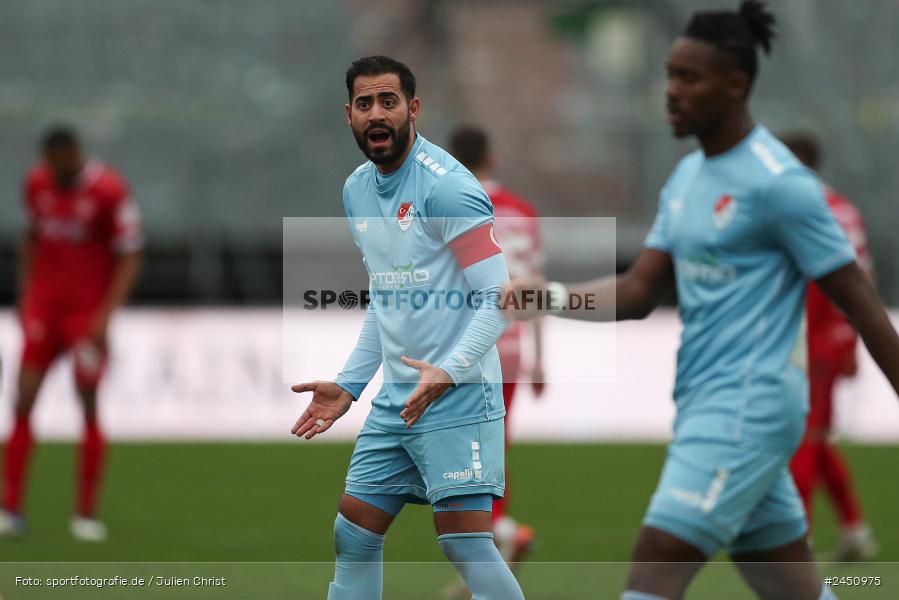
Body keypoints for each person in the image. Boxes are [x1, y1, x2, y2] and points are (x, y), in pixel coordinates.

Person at [505, 2, 899, 598]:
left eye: (689, 77)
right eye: (670, 74)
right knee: (794, 588)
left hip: (747, 411)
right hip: (704, 406)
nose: (671, 91)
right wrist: (550, 296)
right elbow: (639, 291)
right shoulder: (688, 179)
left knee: (655, 564)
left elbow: (861, 302)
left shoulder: (781, 183)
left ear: (736, 84)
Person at [289, 56, 525, 600]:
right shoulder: (357, 191)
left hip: (459, 397)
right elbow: (387, 299)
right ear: (348, 114)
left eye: (389, 102)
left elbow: (500, 299)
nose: (378, 113)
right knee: (353, 532)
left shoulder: (448, 189)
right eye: (365, 103)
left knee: (464, 544)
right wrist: (349, 385)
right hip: (397, 399)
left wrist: (448, 369)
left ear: (412, 109)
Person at [0, 126, 143, 542]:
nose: (53, 171)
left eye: (58, 162)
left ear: (74, 154)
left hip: (85, 317)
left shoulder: (110, 191)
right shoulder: (38, 182)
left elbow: (130, 254)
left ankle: (85, 513)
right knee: (23, 399)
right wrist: (26, 298)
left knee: (89, 406)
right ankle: (11, 508)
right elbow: (30, 238)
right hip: (45, 311)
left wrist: (105, 316)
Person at [449, 125, 544, 565]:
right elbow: (535, 290)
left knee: (454, 458)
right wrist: (539, 358)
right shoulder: (522, 212)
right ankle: (495, 545)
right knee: (491, 450)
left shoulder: (449, 207)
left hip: (462, 349)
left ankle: (500, 534)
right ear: (493, 158)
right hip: (509, 350)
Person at [781, 132, 878, 562]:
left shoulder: (802, 209)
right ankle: (855, 530)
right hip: (838, 334)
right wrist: (855, 341)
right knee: (816, 437)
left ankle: (796, 540)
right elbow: (865, 282)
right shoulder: (845, 208)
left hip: (810, 334)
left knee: (802, 437)